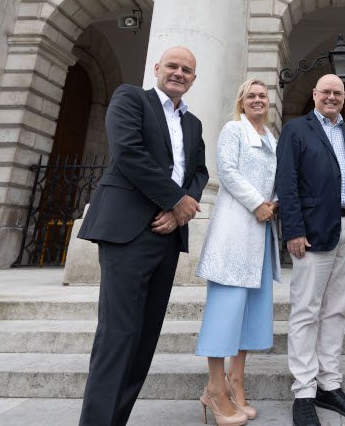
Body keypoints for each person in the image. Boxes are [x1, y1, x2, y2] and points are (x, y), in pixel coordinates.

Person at [78, 46, 208, 426]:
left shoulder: (193, 123)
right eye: (173, 66)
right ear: (157, 68)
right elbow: (128, 153)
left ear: (193, 79)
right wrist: (174, 201)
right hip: (128, 232)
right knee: (118, 335)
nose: (179, 73)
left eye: (187, 69)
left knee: (144, 340)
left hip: (167, 236)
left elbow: (198, 173)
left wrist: (180, 210)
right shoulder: (130, 98)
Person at [275, 73, 345, 426]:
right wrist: (293, 230)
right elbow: (285, 182)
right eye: (326, 92)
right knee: (306, 311)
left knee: (336, 311)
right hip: (313, 232)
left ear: (344, 97)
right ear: (314, 94)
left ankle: (328, 385)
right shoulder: (296, 130)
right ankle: (304, 391)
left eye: (338, 93)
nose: (331, 97)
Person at [194, 78, 281, 425]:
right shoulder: (233, 130)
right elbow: (227, 172)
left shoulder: (272, 139)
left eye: (263, 96)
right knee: (225, 311)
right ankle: (214, 390)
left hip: (260, 235)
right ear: (241, 102)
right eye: (251, 96)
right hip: (234, 230)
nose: (258, 100)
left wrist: (273, 202)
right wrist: (258, 202)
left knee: (248, 314)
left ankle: (236, 381)